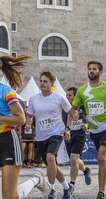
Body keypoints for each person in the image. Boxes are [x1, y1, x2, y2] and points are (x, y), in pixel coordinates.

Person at [69, 61, 106, 199]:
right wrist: (74, 114)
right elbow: (73, 109)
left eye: (94, 69)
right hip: (94, 130)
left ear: (100, 72)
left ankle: (101, 192)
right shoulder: (82, 90)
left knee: (101, 157)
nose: (91, 71)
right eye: (89, 69)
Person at [26, 71, 72, 199]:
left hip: (56, 133)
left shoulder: (59, 98)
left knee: (50, 157)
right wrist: (29, 123)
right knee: (52, 166)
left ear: (51, 83)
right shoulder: (34, 99)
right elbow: (29, 115)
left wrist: (67, 129)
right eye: (41, 81)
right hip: (41, 136)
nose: (42, 84)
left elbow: (72, 113)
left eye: (45, 81)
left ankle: (51, 190)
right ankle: (67, 188)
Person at [0, 56, 28, 199]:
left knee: (8, 196)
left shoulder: (6, 91)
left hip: (7, 142)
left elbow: (21, 118)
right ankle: (35, 181)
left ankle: (35, 181)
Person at [64, 87, 91, 195]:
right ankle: (85, 170)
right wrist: (67, 130)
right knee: (74, 160)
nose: (67, 97)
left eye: (70, 95)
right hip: (68, 135)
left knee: (73, 158)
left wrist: (86, 125)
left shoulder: (83, 106)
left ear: (75, 96)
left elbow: (88, 119)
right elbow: (65, 120)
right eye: (67, 95)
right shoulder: (65, 106)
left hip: (79, 135)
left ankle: (72, 184)